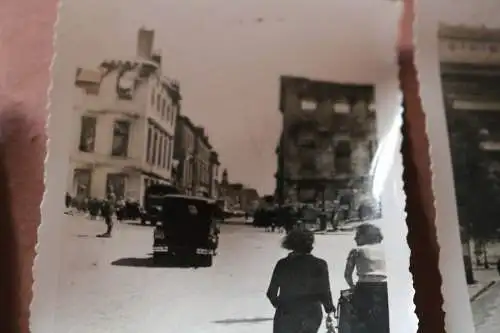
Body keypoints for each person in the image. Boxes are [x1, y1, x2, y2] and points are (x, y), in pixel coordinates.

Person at [267, 229, 335, 333]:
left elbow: (271, 293)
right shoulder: (320, 264)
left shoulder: (283, 264)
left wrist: (281, 306)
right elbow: (324, 291)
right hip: (311, 312)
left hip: (287, 311)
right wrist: (329, 310)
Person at [344, 223, 389, 333]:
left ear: (365, 236)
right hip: (383, 287)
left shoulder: (356, 251)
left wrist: (352, 287)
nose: (355, 238)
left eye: (358, 235)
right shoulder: (385, 251)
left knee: (361, 320)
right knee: (382, 320)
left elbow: (347, 275)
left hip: (364, 287)